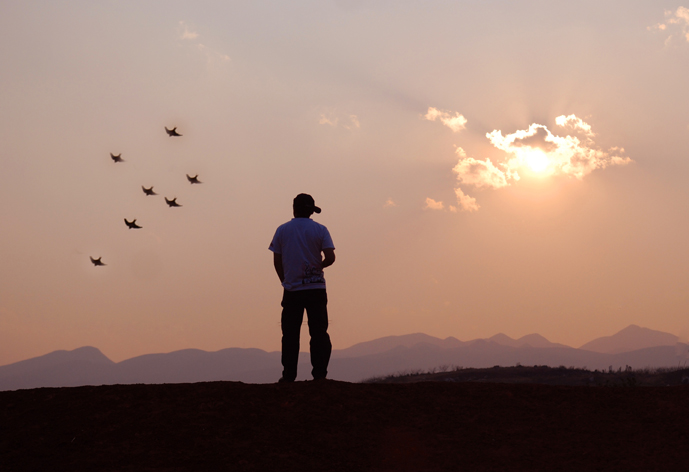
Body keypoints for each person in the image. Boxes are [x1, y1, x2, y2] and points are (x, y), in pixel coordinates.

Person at [269, 194, 336, 382]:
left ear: (294, 209)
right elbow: (330, 258)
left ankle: (289, 376)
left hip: (292, 290)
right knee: (319, 332)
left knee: (290, 334)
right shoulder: (321, 229)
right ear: (311, 211)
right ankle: (320, 375)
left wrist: (285, 280)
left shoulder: (282, 230)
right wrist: (317, 267)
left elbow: (277, 260)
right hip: (316, 288)